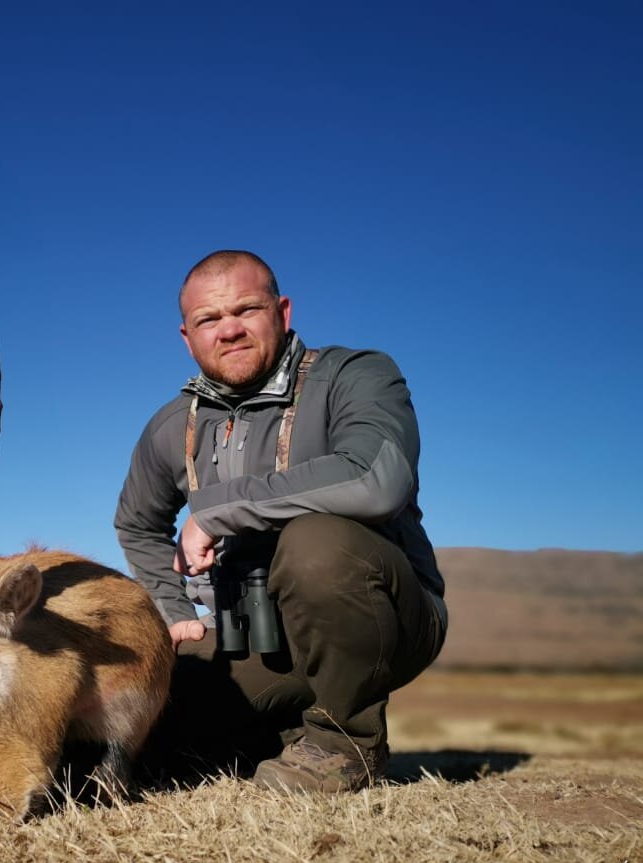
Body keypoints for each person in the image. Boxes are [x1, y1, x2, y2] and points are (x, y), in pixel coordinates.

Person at [116, 250, 447, 792]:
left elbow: (376, 477)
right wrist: (174, 610)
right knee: (156, 721)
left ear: (282, 312)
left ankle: (346, 744)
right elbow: (136, 524)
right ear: (186, 336)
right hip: (253, 634)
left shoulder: (356, 375)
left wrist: (216, 510)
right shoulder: (171, 425)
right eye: (208, 320)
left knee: (316, 542)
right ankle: (284, 732)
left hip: (385, 616)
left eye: (246, 309)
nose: (229, 330)